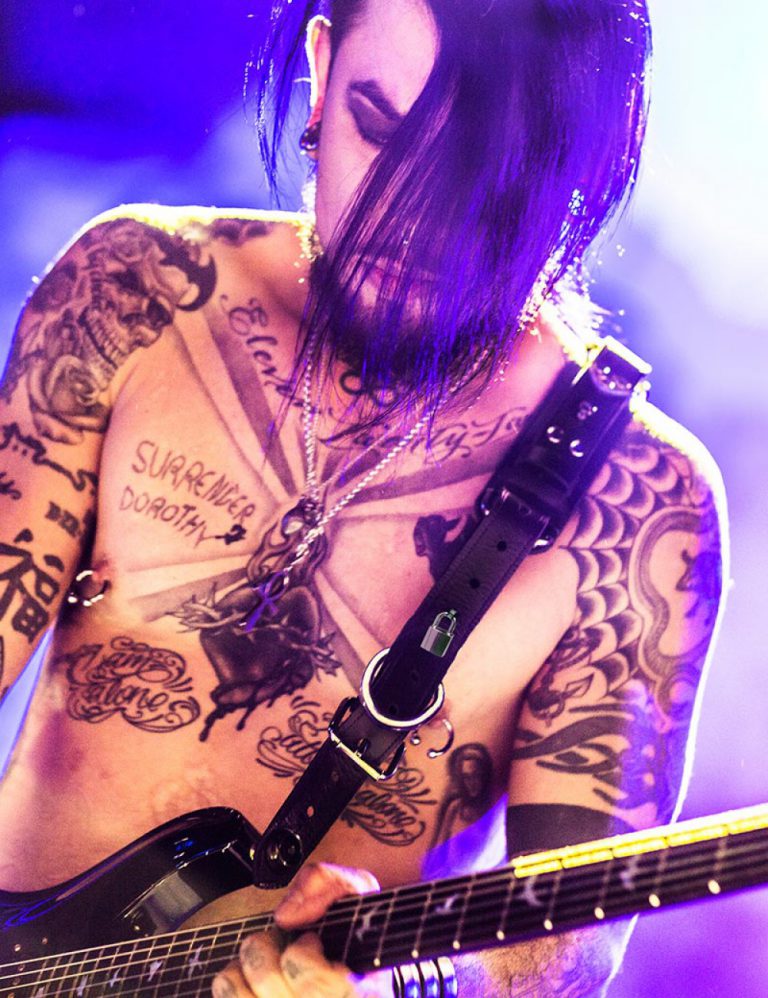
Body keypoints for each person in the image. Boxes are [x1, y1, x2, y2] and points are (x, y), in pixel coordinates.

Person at [0, 0, 727, 994]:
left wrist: (402, 989)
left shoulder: (639, 505)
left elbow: (569, 945)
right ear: (321, 68)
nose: (402, 215)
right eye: (376, 126)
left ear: (574, 177)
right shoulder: (138, 292)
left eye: (471, 174)